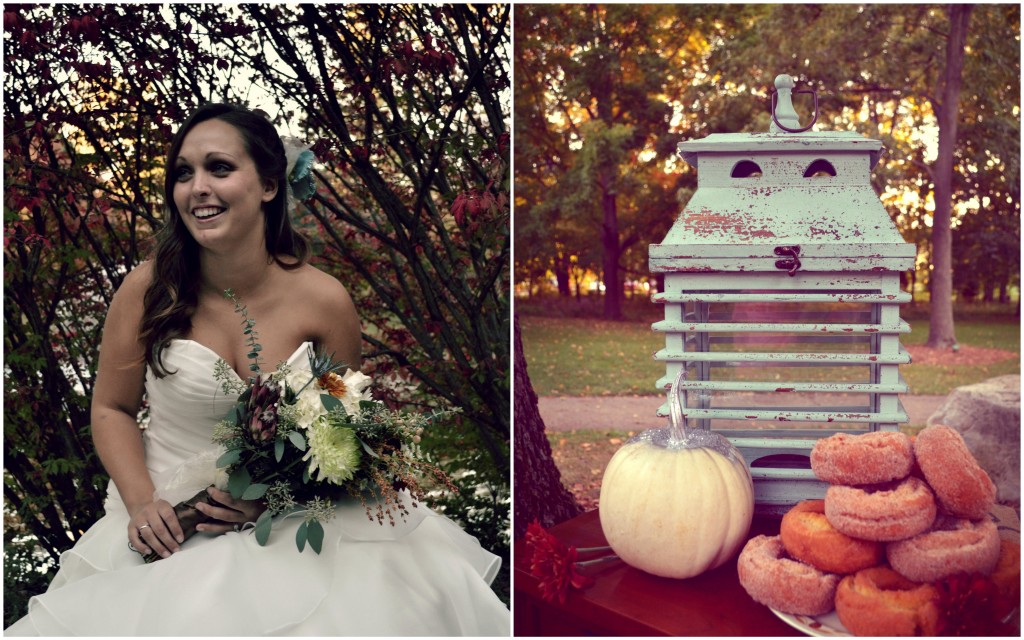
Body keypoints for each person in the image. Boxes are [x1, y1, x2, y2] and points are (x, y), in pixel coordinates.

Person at [6, 103, 509, 636]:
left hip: (286, 522)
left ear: (269, 185)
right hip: (168, 522)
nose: (197, 187)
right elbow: (111, 408)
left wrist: (271, 502)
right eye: (184, 172)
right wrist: (142, 503)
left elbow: (344, 438)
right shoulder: (147, 289)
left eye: (219, 168)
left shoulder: (325, 301)